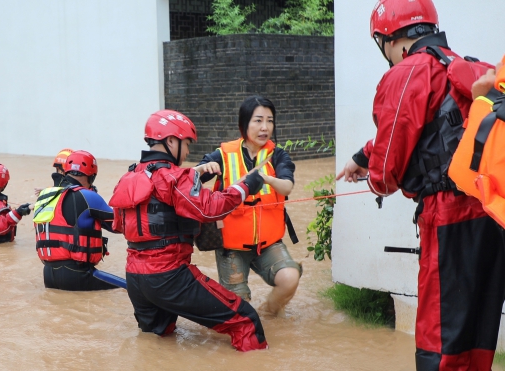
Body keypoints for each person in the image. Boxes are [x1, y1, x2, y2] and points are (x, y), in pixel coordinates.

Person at [336, 1, 505, 369]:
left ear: (388, 40)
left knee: (439, 339)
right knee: (476, 334)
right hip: (492, 212)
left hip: (448, 219)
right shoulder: (467, 67)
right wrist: (362, 156)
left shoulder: (407, 73)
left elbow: (388, 171)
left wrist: (375, 177)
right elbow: (441, 128)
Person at [110, 109, 268, 352]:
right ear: (171, 141)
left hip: (136, 280)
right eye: (186, 144)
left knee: (158, 340)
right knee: (246, 320)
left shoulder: (129, 176)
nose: (187, 152)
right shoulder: (174, 176)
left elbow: (120, 225)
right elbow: (210, 210)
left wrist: (193, 180)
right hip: (169, 276)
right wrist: (246, 186)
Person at [196, 95, 301, 315]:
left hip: (268, 244)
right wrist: (202, 169)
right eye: (258, 120)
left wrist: (266, 178)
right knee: (237, 311)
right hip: (231, 247)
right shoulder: (223, 155)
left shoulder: (278, 156)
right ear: (243, 124)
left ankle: (268, 313)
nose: (265, 127)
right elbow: (188, 183)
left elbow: (287, 187)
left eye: (270, 121)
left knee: (290, 277)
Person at [34, 150, 117, 291]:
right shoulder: (88, 196)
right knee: (129, 289)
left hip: (49, 275)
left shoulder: (46, 195)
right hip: (76, 274)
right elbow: (120, 223)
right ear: (92, 176)